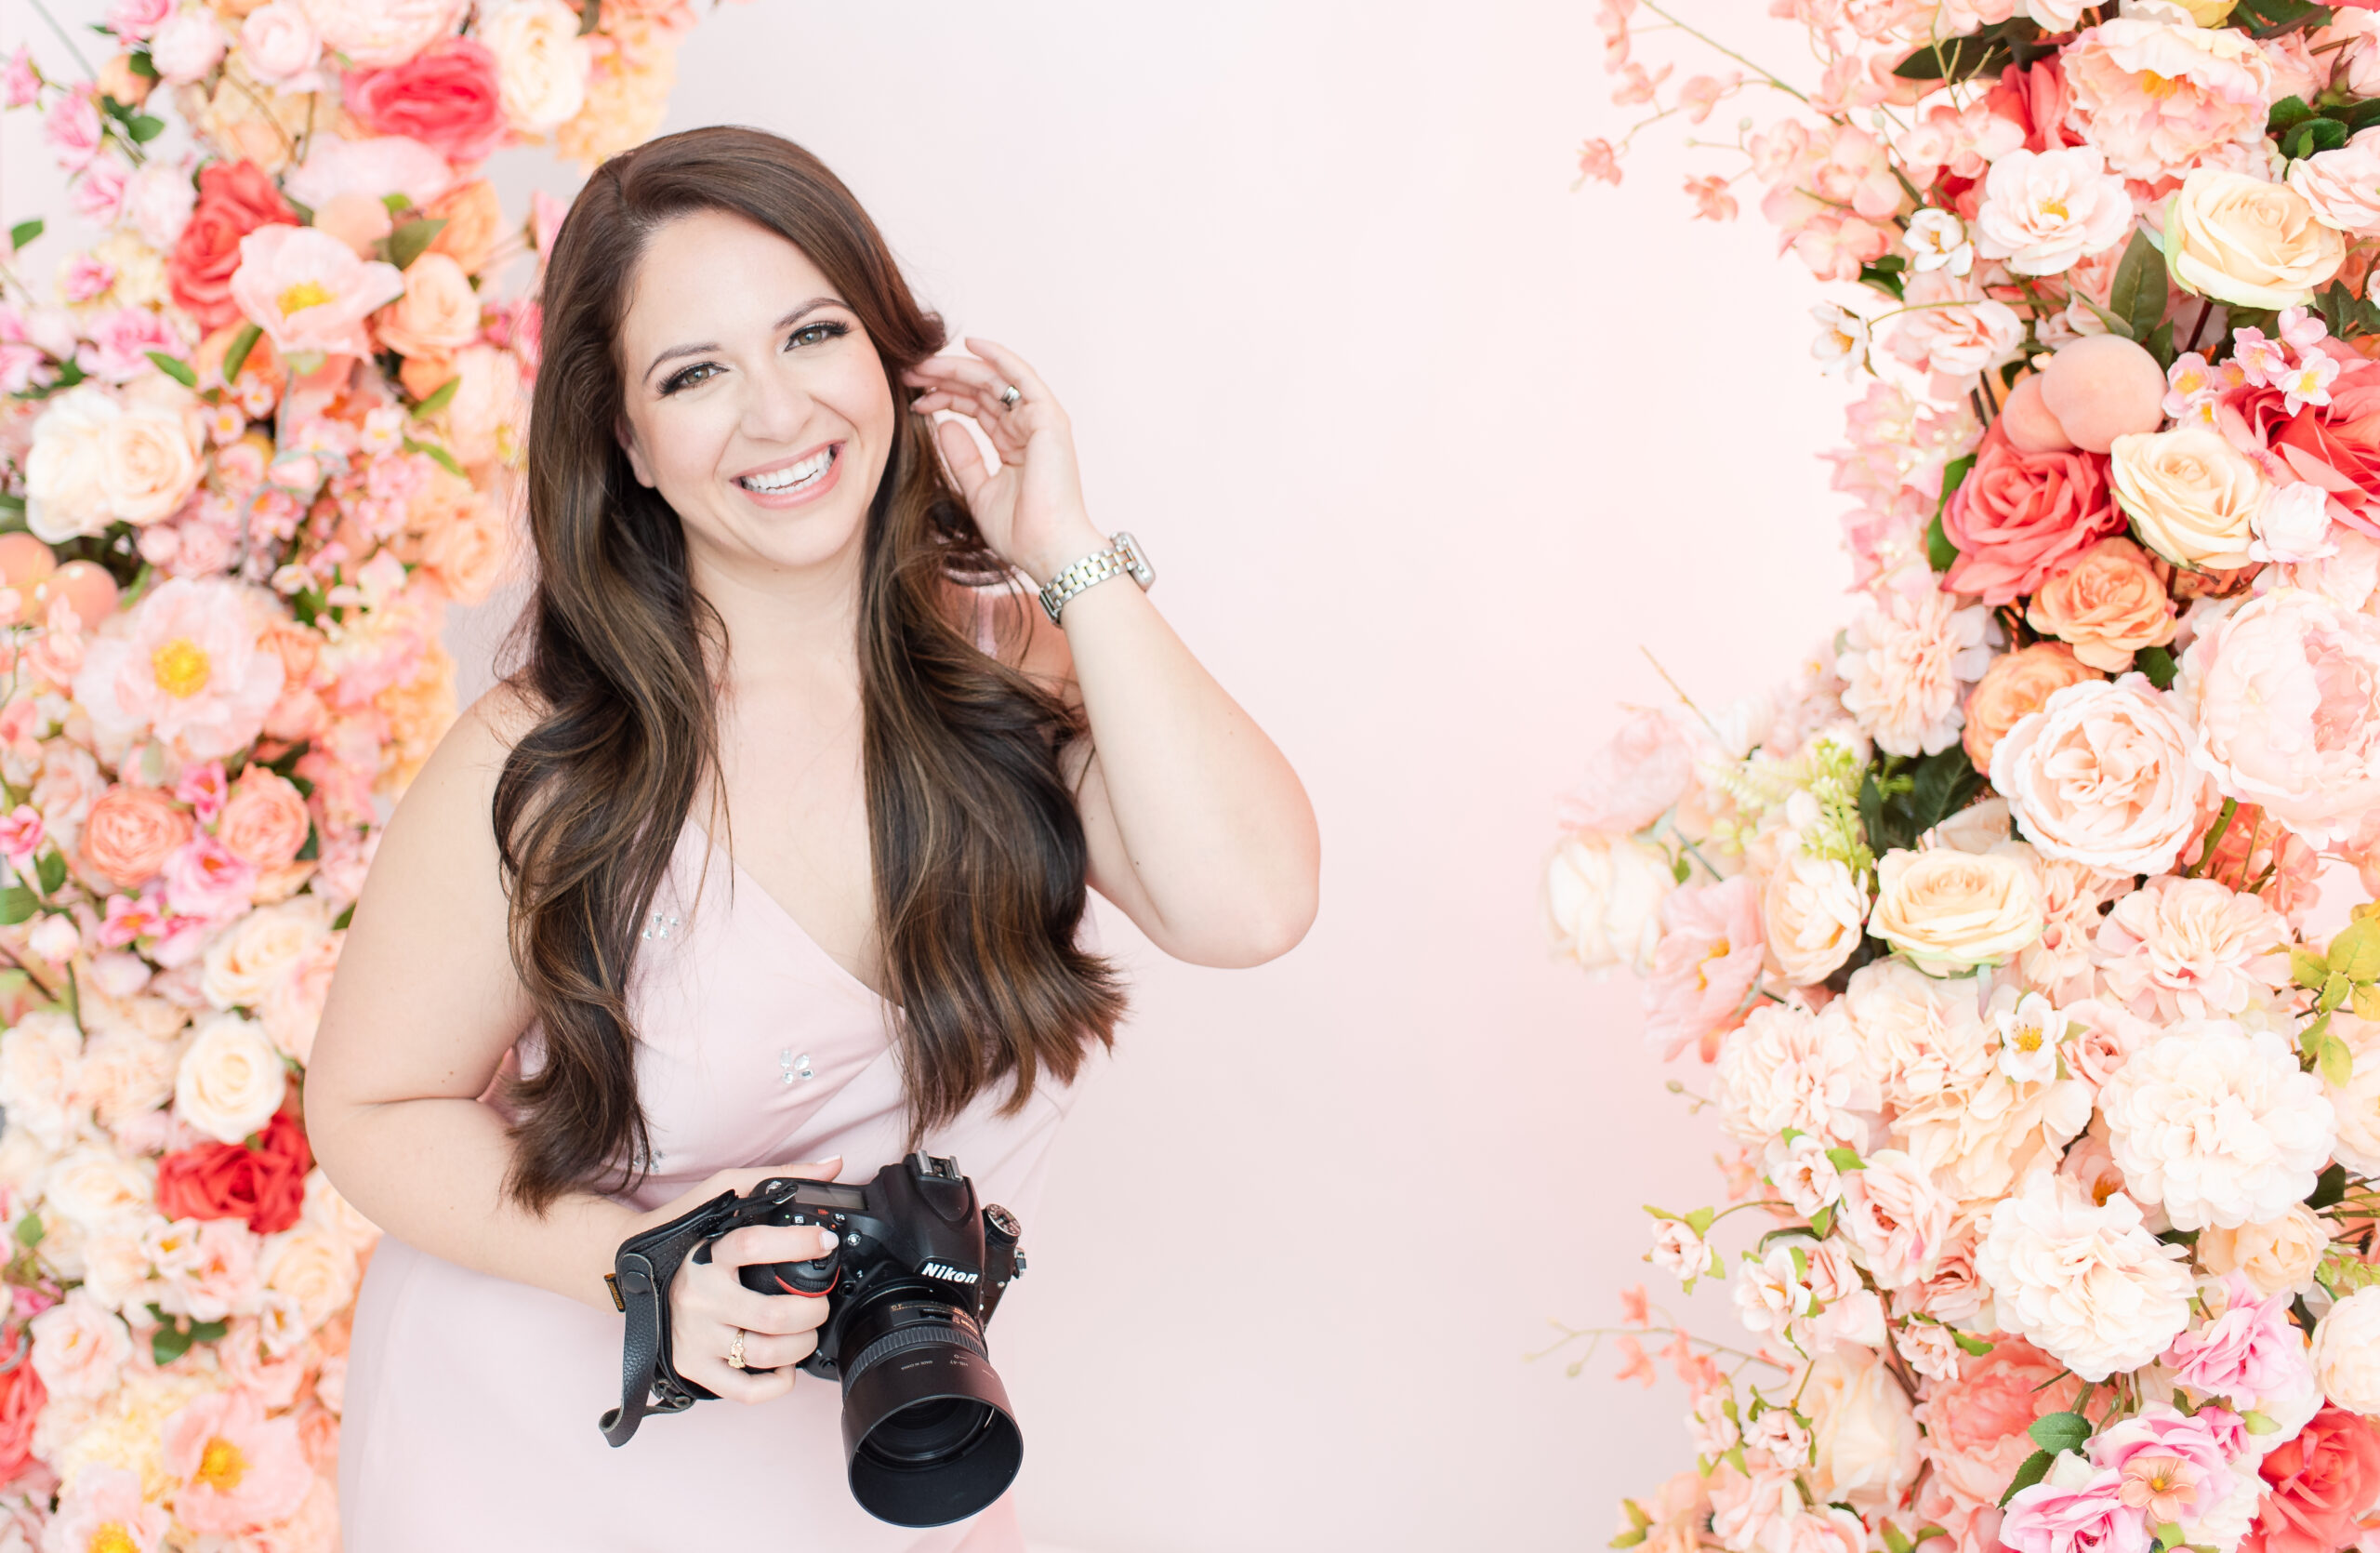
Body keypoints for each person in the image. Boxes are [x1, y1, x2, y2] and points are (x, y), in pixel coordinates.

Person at [304, 125, 1318, 1551]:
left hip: (893, 1453)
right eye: (696, 373)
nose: (776, 414)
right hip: (543, 1450)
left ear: (893, 360)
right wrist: (637, 1262)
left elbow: (1252, 902)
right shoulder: (545, 763)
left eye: (812, 333)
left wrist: (1065, 547)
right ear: (629, 444)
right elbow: (367, 1108)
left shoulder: (1011, 670)